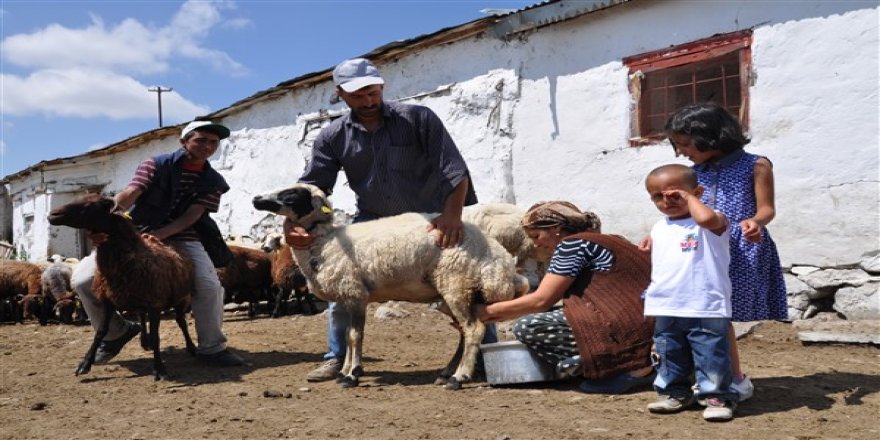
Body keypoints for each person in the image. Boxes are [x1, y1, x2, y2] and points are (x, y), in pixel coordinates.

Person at [284, 58, 494, 382]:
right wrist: (294, 223)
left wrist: (453, 214)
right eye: (358, 96)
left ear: (381, 87)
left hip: (429, 219)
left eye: (373, 92)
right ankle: (337, 357)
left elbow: (453, 167)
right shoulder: (332, 136)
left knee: (462, 284)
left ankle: (484, 354)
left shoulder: (418, 118)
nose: (368, 101)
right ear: (340, 94)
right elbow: (313, 186)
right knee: (341, 281)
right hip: (373, 222)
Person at [71, 119, 244, 368]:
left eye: (213, 142)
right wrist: (107, 223)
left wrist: (161, 235)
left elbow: (192, 215)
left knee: (209, 286)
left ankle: (212, 347)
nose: (207, 146)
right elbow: (130, 194)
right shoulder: (154, 165)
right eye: (201, 139)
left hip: (184, 236)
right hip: (136, 232)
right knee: (83, 281)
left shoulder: (214, 181)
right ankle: (115, 334)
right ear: (184, 141)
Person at [659, 102, 786, 402]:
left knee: (720, 315)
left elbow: (767, 208)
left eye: (686, 144)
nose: (681, 153)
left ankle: (733, 378)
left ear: (711, 136)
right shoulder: (690, 174)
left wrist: (756, 222)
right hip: (700, 251)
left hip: (742, 248)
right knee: (708, 314)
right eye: (676, 146)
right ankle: (718, 376)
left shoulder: (756, 166)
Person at [477, 201, 656, 394]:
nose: (536, 244)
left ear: (555, 228)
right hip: (649, 320)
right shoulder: (610, 239)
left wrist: (485, 312)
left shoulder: (572, 245)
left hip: (626, 324)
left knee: (528, 326)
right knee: (558, 314)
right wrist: (498, 315)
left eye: (537, 236)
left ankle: (619, 364)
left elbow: (542, 299)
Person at [642, 164, 739, 421]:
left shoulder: (712, 219)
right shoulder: (659, 227)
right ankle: (674, 393)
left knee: (710, 353)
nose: (666, 201)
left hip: (705, 303)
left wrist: (691, 199)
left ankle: (716, 396)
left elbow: (706, 220)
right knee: (668, 351)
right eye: (657, 197)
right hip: (667, 303)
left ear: (697, 191)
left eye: (675, 195)